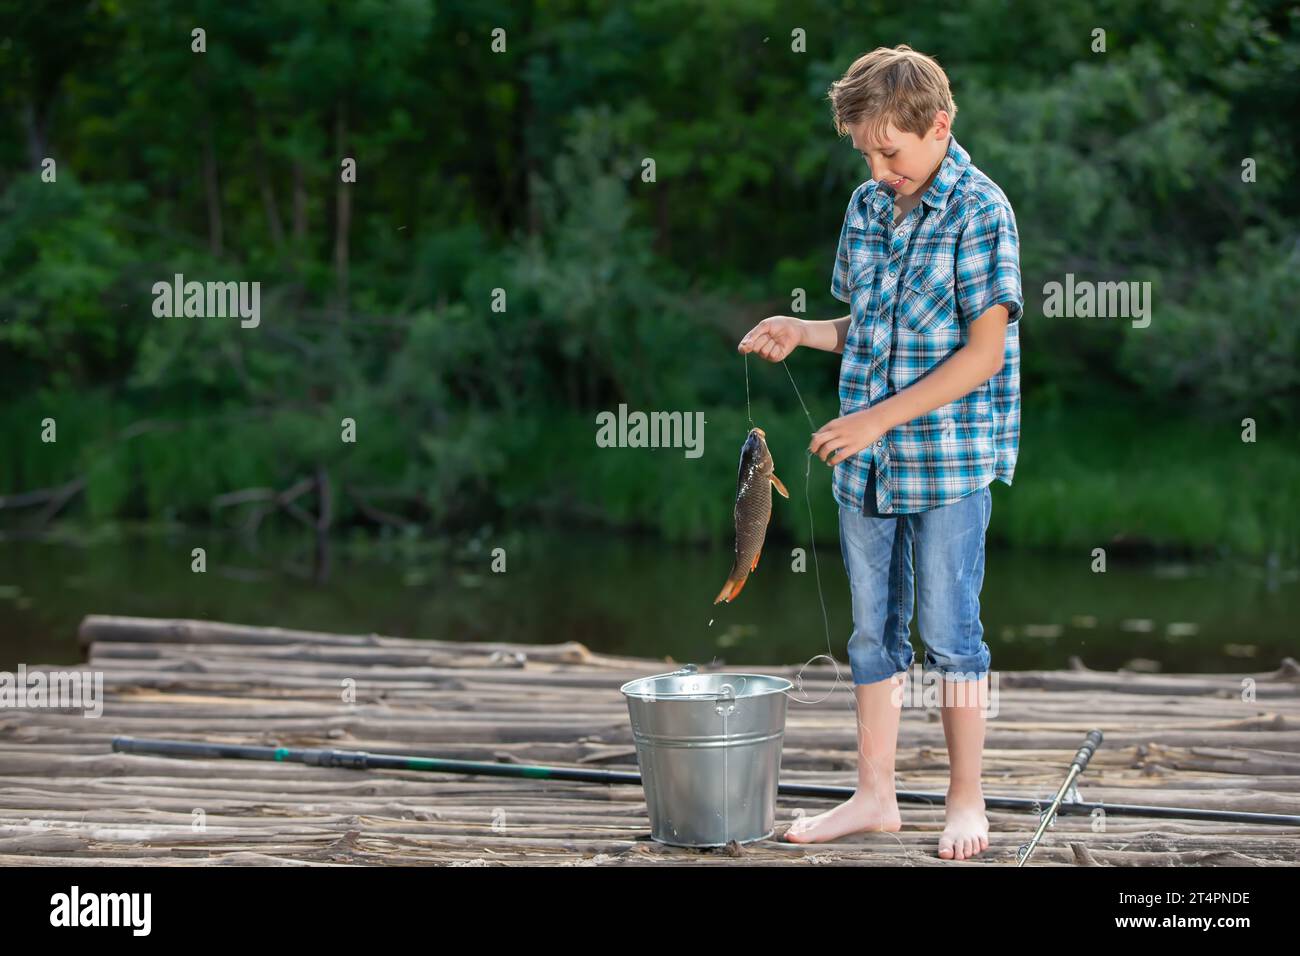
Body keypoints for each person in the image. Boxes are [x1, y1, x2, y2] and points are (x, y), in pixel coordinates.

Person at [738, 44, 1023, 861]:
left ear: (937, 126)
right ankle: (875, 796)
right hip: (866, 467)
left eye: (889, 150)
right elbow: (867, 326)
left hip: (948, 463)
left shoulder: (981, 209)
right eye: (865, 150)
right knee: (872, 635)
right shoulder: (868, 207)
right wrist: (804, 332)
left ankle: (966, 800)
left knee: (951, 632)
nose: (877, 165)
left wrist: (876, 420)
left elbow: (982, 354)